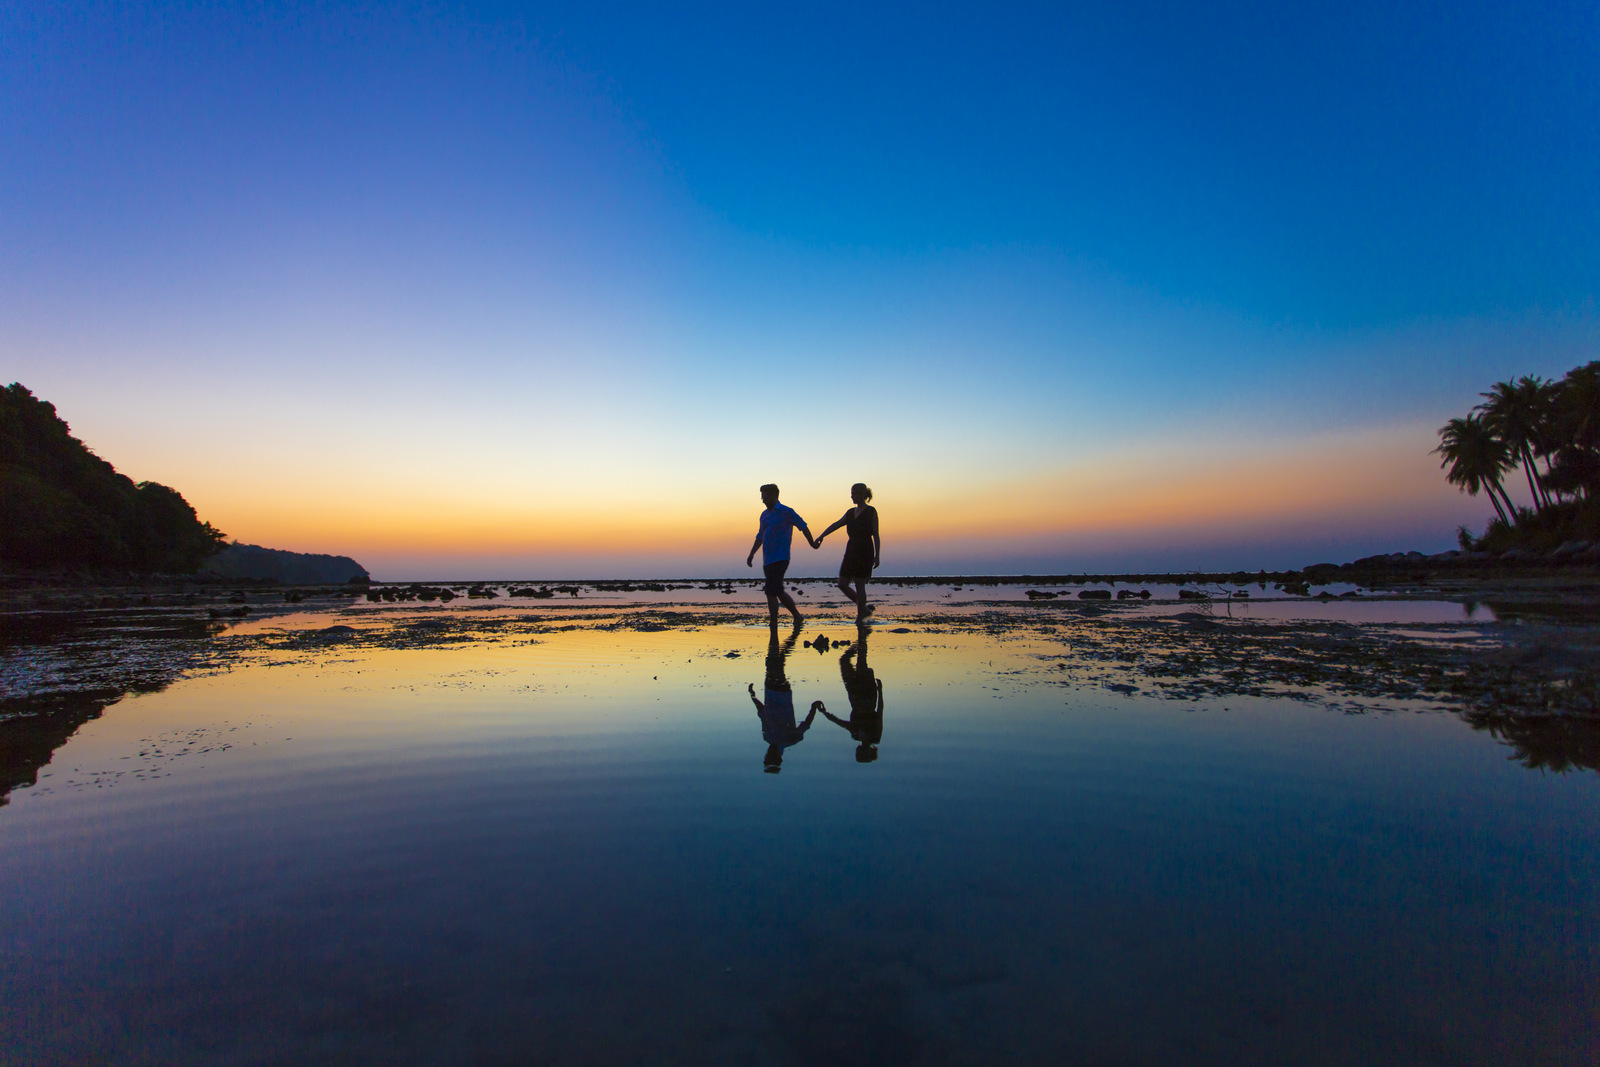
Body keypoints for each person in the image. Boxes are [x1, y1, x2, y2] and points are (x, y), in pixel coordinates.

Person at [748, 627, 818, 773]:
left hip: (770, 689)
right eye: (769, 757)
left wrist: (753, 696)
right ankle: (792, 636)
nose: (767, 754)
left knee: (772, 662)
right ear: (778, 758)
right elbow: (806, 725)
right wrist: (814, 708)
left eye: (766, 757)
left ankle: (787, 638)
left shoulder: (767, 737)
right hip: (782, 692)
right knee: (775, 662)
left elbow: (762, 713)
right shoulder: (790, 739)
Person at [746, 483, 816, 627]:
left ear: (774, 496)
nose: (763, 500)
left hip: (781, 557)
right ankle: (797, 616)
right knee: (777, 590)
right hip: (768, 559)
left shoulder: (786, 512)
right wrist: (752, 553)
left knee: (770, 590)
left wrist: (812, 543)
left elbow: (803, 526)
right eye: (762, 498)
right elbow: (760, 536)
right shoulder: (764, 515)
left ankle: (773, 623)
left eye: (765, 497)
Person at [815, 483, 880, 620]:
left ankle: (860, 615)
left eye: (854, 493)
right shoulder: (850, 513)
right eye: (851, 493)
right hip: (851, 549)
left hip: (865, 549)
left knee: (859, 584)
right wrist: (822, 536)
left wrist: (877, 556)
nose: (852, 496)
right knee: (842, 584)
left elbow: (876, 535)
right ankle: (863, 608)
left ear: (862, 494)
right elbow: (836, 524)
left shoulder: (871, 512)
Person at [817, 631, 884, 763]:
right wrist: (880, 691)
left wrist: (824, 713)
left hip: (854, 694)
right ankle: (862, 636)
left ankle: (861, 638)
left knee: (845, 661)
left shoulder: (855, 734)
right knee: (861, 661)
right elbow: (880, 712)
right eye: (860, 753)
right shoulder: (875, 736)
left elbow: (839, 722)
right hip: (868, 696)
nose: (858, 750)